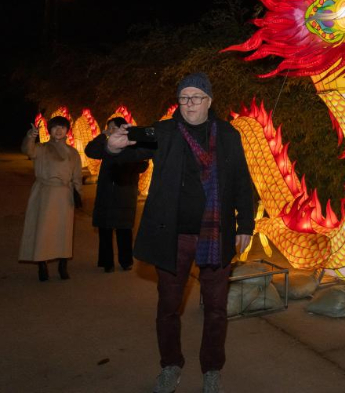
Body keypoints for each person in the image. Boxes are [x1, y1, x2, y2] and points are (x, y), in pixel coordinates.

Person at [105, 72, 254, 393]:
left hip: (217, 234)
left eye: (196, 97)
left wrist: (246, 225)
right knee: (168, 306)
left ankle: (212, 368)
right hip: (174, 236)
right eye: (184, 98)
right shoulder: (163, 131)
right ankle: (170, 364)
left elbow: (243, 182)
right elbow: (121, 146)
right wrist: (113, 147)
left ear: (209, 101)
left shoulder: (228, 135)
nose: (190, 104)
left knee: (215, 309)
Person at [19, 116, 82, 281]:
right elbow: (27, 150)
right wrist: (31, 136)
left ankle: (63, 265)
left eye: (62, 127)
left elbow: (77, 176)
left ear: (67, 130)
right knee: (43, 230)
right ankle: (42, 265)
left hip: (64, 195)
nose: (59, 130)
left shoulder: (73, 153)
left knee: (64, 231)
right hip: (44, 193)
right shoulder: (41, 148)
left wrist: (78, 194)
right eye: (55, 127)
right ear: (49, 130)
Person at [85, 116, 149, 273]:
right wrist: (102, 135)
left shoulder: (132, 146)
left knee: (124, 229)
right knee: (105, 229)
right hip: (106, 192)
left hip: (125, 192)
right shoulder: (107, 145)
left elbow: (143, 164)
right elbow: (90, 151)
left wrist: (128, 167)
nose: (111, 130)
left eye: (114, 127)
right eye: (109, 128)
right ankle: (107, 262)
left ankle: (126, 261)